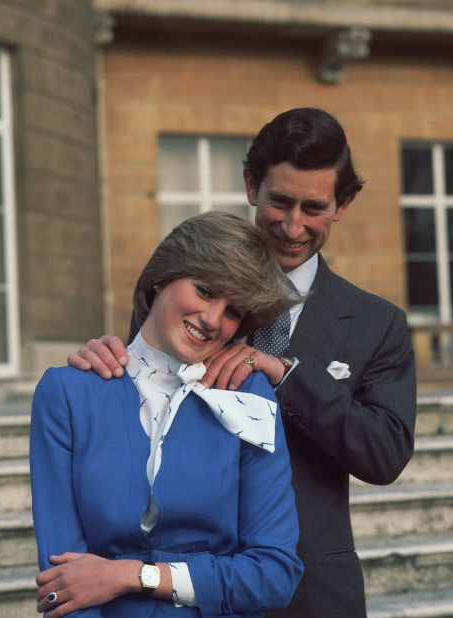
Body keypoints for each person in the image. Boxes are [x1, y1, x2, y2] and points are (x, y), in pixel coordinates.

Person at [67, 107, 417, 617]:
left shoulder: (376, 323)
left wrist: (285, 374)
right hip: (184, 590)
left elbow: (384, 454)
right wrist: (103, 365)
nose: (293, 226)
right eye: (280, 201)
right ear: (252, 185)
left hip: (312, 592)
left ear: (343, 204)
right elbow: (140, 411)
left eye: (314, 208)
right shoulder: (186, 294)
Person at [30, 211, 305, 617]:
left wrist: (133, 575)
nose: (213, 320)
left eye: (233, 311)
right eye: (206, 291)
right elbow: (62, 580)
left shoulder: (249, 395)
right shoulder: (68, 394)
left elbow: (274, 574)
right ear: (162, 277)